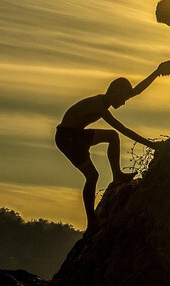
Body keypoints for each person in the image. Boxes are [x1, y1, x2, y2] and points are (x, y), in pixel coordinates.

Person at [55, 71, 161, 229]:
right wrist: (152, 145)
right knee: (92, 176)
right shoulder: (99, 106)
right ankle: (92, 221)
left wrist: (157, 73)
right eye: (123, 98)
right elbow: (124, 129)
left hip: (76, 134)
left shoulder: (105, 101)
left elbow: (136, 91)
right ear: (115, 93)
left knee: (112, 136)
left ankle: (117, 175)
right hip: (68, 138)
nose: (124, 103)